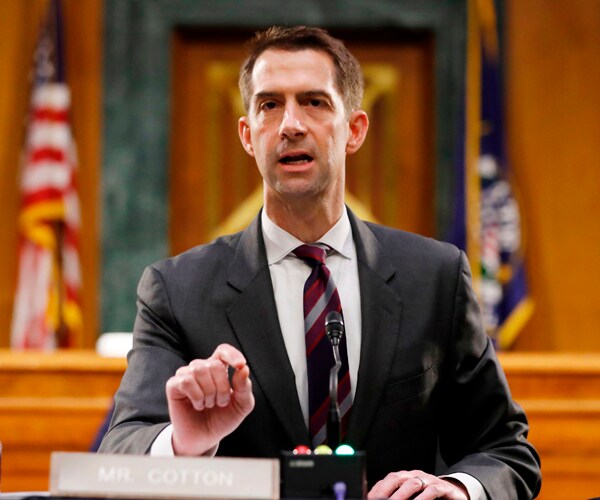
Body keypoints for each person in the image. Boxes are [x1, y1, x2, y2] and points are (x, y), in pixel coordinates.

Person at [99, 26, 541, 499]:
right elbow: (118, 454)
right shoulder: (177, 290)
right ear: (247, 135)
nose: (290, 124)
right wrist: (184, 444)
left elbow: (505, 449)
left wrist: (458, 489)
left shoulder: (435, 278)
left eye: (314, 102)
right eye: (270, 105)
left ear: (355, 130)